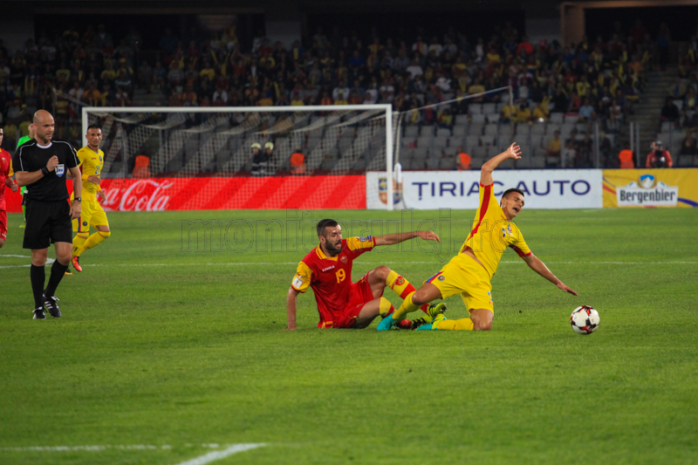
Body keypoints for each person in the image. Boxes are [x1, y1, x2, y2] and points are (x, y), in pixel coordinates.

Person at [377, 143, 577, 332]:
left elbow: (531, 259)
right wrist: (507, 155)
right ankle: (394, 318)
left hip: (482, 280)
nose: (520, 204)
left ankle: (437, 325)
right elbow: (486, 169)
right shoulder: (489, 207)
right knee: (420, 297)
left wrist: (557, 281)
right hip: (462, 266)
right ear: (504, 201)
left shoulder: (515, 232)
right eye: (516, 199)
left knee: (483, 326)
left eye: (523, 203)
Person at [286, 219, 446, 330]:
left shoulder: (348, 245)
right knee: (382, 304)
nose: (339, 238)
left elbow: (384, 239)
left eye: (340, 233)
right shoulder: (309, 264)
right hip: (337, 317)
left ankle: (428, 310)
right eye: (334, 235)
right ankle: (406, 324)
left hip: (353, 297)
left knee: (383, 271)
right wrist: (292, 326)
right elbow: (292, 292)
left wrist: (417, 233)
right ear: (322, 239)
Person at [12, 110, 82, 319]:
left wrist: (77, 201)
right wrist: (45, 169)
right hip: (37, 208)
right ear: (35, 127)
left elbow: (77, 174)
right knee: (39, 258)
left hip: (61, 207)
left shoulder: (64, 147)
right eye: (46, 126)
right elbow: (21, 180)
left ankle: (49, 295)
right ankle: (38, 307)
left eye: (52, 125)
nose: (51, 129)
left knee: (64, 255)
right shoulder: (25, 151)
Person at [68, 125, 111, 274]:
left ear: (101, 136)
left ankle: (76, 255)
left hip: (93, 199)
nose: (95, 137)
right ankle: (63, 261)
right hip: (82, 197)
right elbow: (69, 172)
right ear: (87, 137)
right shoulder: (82, 153)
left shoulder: (101, 154)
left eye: (98, 134)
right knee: (82, 233)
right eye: (92, 135)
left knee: (105, 232)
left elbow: (95, 176)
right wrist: (87, 177)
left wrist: (100, 190)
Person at [1, 127, 20, 248]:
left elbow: (7, 177)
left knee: (1, 241)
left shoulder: (6, 156)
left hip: (1, 203)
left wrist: (12, 184)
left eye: (1, 134)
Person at [16, 123, 36, 229]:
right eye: (31, 126)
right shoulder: (22, 140)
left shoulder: (39, 139)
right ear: (28, 128)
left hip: (36, 173)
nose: (33, 128)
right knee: (25, 197)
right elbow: (18, 154)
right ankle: (26, 220)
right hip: (25, 172)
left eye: (34, 126)